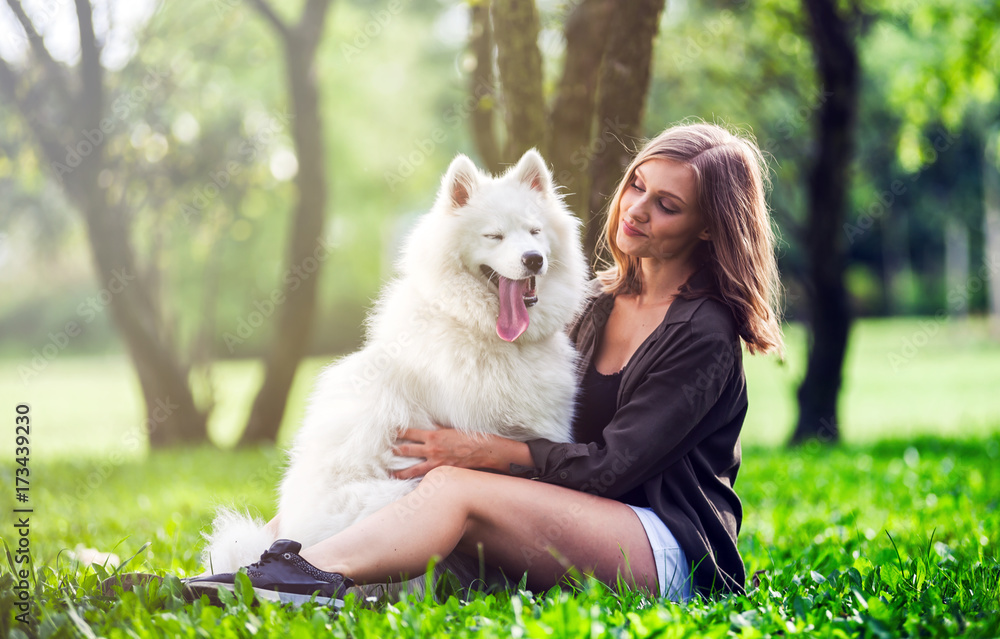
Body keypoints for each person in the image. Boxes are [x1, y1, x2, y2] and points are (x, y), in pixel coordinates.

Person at [185, 122, 784, 605]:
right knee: (404, 480)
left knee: (452, 488)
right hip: (581, 516)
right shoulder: (593, 303)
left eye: (667, 205)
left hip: (664, 545)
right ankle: (252, 565)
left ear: (708, 228)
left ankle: (290, 580)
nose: (636, 210)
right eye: (636, 186)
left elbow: (615, 468)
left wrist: (486, 453)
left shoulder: (702, 332)